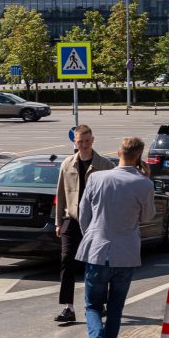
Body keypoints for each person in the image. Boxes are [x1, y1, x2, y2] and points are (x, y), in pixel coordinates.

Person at [76, 136, 154, 338]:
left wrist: (92, 238)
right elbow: (148, 216)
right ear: (139, 158)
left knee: (92, 307)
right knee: (116, 310)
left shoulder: (96, 178)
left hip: (97, 251)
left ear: (118, 151)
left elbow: (83, 214)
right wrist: (146, 179)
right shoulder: (143, 183)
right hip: (126, 254)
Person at [54, 124, 113, 323]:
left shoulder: (104, 165)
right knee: (66, 261)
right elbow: (60, 194)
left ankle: (100, 304)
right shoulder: (67, 164)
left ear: (93, 140)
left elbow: (113, 194)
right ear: (75, 142)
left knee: (97, 263)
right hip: (71, 219)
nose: (84, 144)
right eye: (80, 141)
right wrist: (58, 222)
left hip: (97, 221)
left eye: (87, 141)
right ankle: (68, 307)